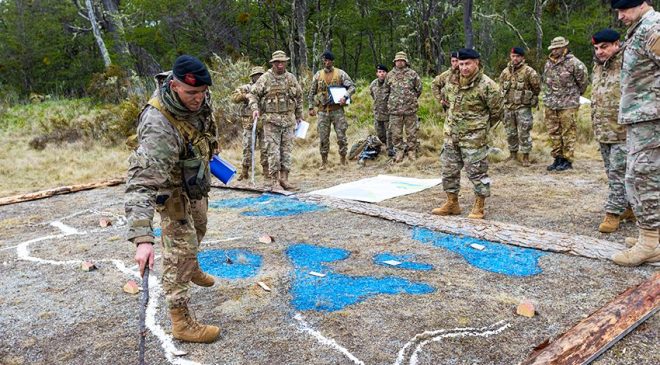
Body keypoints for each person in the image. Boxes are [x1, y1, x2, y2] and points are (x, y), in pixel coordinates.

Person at [128, 55, 219, 343]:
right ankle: (181, 322)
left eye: (203, 92)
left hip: (194, 180)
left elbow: (204, 127)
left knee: (200, 226)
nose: (199, 99)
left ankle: (190, 264)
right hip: (169, 189)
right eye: (192, 93)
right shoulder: (158, 126)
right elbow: (141, 183)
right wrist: (143, 237)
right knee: (180, 251)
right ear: (174, 86)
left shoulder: (200, 93)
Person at [610, 0, 659, 266]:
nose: (620, 17)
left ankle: (649, 243)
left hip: (651, 118)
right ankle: (653, 237)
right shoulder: (642, 28)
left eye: (624, 10)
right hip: (643, 117)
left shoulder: (652, 28)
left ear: (641, 4)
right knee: (648, 177)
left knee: (641, 178)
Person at [431, 48, 503, 219]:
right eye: (461, 64)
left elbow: (497, 112)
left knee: (477, 173)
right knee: (448, 171)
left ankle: (479, 205)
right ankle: (452, 203)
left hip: (474, 139)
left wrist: (479, 128)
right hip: (451, 136)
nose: (464, 68)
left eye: (468, 64)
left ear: (476, 63)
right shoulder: (451, 78)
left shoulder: (488, 86)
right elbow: (445, 96)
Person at [590, 29, 635, 233]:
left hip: (623, 130)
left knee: (618, 173)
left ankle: (613, 213)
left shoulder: (629, 61)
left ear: (617, 44)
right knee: (612, 172)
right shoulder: (599, 66)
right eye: (597, 48)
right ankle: (629, 207)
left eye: (604, 47)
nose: (599, 51)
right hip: (604, 130)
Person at [248, 50, 304, 191]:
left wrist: (299, 115)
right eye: (277, 62)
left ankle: (284, 179)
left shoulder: (291, 78)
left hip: (288, 121)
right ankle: (274, 181)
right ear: (273, 63)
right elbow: (253, 95)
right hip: (271, 122)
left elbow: (299, 97)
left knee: (286, 152)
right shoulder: (265, 78)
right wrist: (255, 109)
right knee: (273, 152)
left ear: (285, 62)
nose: (280, 64)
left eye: (282, 62)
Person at [542, 36, 589, 171]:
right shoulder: (548, 63)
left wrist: (573, 96)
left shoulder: (575, 63)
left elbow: (583, 83)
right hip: (551, 103)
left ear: (564, 48)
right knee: (554, 132)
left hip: (568, 104)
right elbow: (546, 81)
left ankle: (567, 160)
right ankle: (558, 158)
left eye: (558, 48)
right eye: (553, 48)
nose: (555, 50)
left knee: (568, 132)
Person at [308, 51, 356, 169]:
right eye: (325, 60)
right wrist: (310, 107)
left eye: (329, 60)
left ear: (332, 61)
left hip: (337, 110)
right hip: (323, 111)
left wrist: (345, 96)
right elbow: (311, 92)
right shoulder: (318, 75)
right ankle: (324, 162)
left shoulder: (340, 73)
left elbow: (352, 87)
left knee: (341, 136)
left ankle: (343, 159)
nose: (327, 62)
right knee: (323, 137)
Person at [498, 47, 541, 167]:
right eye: (513, 56)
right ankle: (513, 155)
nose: (515, 58)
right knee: (510, 132)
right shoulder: (505, 72)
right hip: (508, 107)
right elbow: (501, 87)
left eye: (517, 56)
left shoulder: (529, 72)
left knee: (524, 133)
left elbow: (536, 88)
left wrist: (530, 98)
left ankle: (525, 157)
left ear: (522, 57)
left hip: (523, 107)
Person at [383, 51, 423, 162]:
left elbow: (419, 89)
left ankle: (411, 151)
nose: (399, 62)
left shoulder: (412, 74)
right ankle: (399, 151)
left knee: (412, 132)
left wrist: (411, 99)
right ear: (394, 62)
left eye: (402, 60)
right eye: (397, 60)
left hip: (410, 109)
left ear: (406, 62)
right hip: (395, 110)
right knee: (396, 133)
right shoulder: (390, 75)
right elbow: (386, 91)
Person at [232, 66, 266, 181]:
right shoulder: (246, 87)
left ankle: (266, 171)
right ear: (252, 77)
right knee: (247, 147)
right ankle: (245, 172)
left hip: (264, 121)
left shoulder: (267, 87)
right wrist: (245, 96)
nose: (259, 77)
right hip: (249, 122)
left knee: (265, 147)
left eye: (261, 75)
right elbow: (234, 97)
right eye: (256, 75)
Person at [369, 64, 393, 156]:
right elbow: (372, 95)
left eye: (383, 72)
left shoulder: (390, 84)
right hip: (377, 114)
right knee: (380, 134)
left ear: (386, 73)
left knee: (390, 134)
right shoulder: (373, 84)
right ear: (377, 73)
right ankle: (382, 148)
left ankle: (390, 151)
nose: (382, 74)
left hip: (388, 114)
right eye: (380, 72)